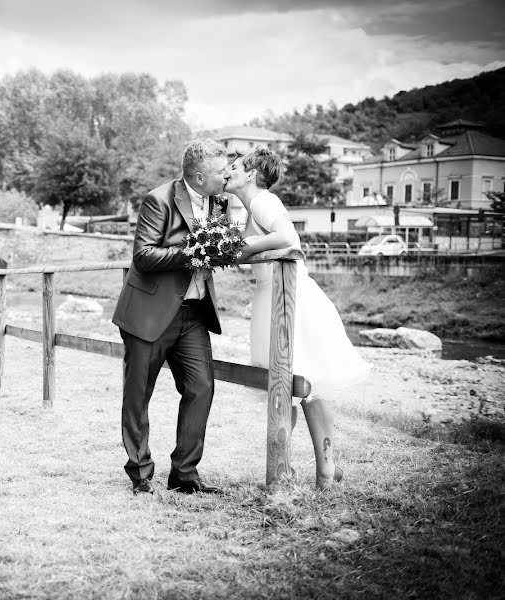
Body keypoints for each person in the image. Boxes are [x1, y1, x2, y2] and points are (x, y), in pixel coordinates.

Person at [224, 147, 371, 490]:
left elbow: (288, 239)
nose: (228, 171)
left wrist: (241, 250)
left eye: (233, 166)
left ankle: (307, 469)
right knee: (293, 389)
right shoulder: (251, 207)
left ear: (250, 173)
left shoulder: (263, 202)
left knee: (299, 387)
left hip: (289, 300)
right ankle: (301, 469)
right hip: (273, 297)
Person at [112, 139, 228, 495]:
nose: (226, 176)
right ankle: (140, 473)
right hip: (150, 312)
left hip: (194, 313)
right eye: (220, 172)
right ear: (198, 175)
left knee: (201, 388)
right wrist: (192, 252)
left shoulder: (218, 202)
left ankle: (184, 475)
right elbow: (144, 255)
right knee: (138, 396)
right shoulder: (158, 199)